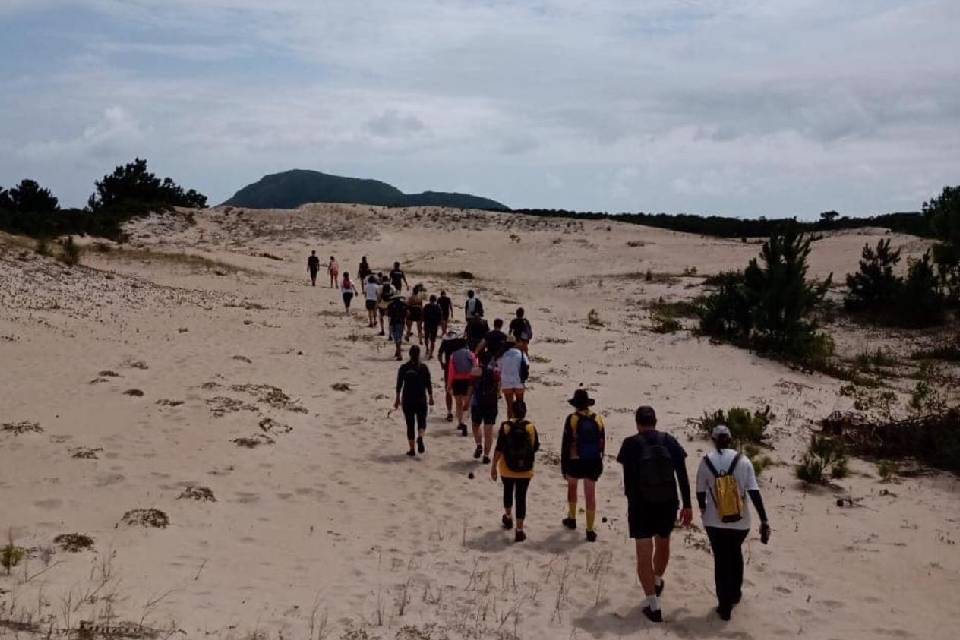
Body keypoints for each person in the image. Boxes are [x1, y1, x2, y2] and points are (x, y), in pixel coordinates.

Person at [616, 405, 693, 623]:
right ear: (656, 421)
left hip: (641, 506)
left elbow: (629, 481)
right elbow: (682, 474)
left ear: (637, 423)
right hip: (667, 504)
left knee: (643, 555)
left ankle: (653, 604)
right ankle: (657, 580)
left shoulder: (630, 444)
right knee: (663, 544)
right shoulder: (669, 441)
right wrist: (687, 504)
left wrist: (632, 504)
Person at [696, 424, 770, 621]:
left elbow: (700, 492)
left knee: (721, 560)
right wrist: (764, 519)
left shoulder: (705, 462)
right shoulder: (743, 461)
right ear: (730, 439)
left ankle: (724, 604)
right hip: (740, 522)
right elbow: (754, 492)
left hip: (714, 521)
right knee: (735, 553)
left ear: (713, 440)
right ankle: (735, 593)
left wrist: (704, 512)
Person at [491, 400, 540, 543]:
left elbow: (499, 448)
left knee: (507, 491)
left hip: (507, 468)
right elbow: (535, 447)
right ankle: (519, 530)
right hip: (525, 469)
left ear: (512, 411)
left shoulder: (506, 426)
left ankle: (508, 517)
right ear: (525, 412)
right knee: (521, 497)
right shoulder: (530, 427)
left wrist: (494, 466)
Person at [560, 389, 605, 542]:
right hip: (592, 460)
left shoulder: (572, 419)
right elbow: (602, 443)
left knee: (572, 488)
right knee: (590, 495)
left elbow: (565, 444)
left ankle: (572, 518)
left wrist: (564, 466)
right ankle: (590, 529)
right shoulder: (598, 418)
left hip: (575, 460)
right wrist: (600, 462)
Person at [395, 345, 434, 457]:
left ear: (409, 355)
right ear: (419, 354)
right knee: (422, 421)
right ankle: (420, 437)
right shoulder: (424, 367)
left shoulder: (404, 368)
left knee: (410, 424)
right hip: (421, 398)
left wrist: (397, 399)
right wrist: (431, 397)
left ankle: (412, 449)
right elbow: (428, 383)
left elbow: (399, 385)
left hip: (407, 399)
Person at [470, 353, 500, 463]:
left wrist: (467, 401)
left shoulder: (475, 371)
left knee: (475, 425)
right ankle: (486, 456)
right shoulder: (495, 372)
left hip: (478, 403)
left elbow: (471, 386)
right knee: (489, 430)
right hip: (491, 403)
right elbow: (498, 386)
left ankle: (479, 444)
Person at [447, 340, 478, 436]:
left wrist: (449, 384)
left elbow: (451, 371)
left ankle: (460, 422)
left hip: (457, 381)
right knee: (466, 404)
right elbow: (475, 367)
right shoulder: (471, 354)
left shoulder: (453, 355)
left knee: (458, 403)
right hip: (468, 381)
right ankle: (464, 422)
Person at [437, 329, 466, 422]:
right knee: (460, 391)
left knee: (448, 389)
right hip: (459, 368)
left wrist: (442, 363)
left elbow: (439, 354)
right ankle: (461, 412)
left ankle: (449, 412)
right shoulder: (459, 342)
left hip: (448, 368)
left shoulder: (445, 342)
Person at [497, 341, 528, 420]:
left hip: (506, 382)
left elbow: (499, 368)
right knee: (520, 405)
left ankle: (509, 425)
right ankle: (520, 423)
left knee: (509, 406)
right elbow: (527, 365)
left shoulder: (502, 354)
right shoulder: (521, 354)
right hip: (519, 381)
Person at [386, 292, 408, 361]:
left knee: (396, 339)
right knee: (399, 338)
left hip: (394, 323)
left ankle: (399, 355)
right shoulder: (404, 304)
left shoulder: (390, 305)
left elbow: (388, 314)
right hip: (401, 322)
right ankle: (397, 351)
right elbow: (407, 313)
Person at [423, 295, 443, 359]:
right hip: (434, 325)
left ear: (430, 300)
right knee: (432, 340)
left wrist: (422, 323)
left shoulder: (426, 306)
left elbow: (423, 315)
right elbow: (440, 317)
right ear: (435, 300)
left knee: (426, 338)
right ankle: (431, 353)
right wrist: (439, 324)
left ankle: (427, 349)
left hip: (427, 324)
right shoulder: (438, 307)